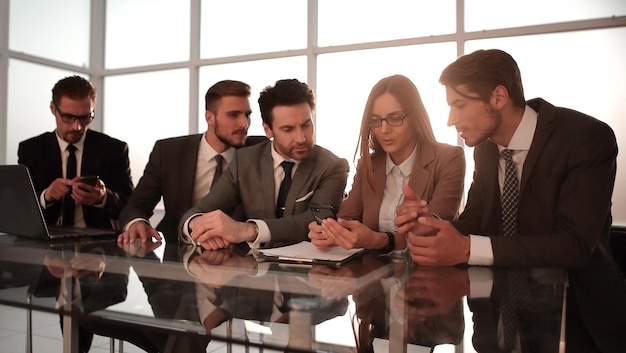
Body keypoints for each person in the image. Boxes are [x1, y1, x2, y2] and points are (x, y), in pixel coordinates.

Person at [395, 49, 626, 352]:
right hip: (500, 316)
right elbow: (474, 221)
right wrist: (432, 227)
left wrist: (465, 247)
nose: (451, 119)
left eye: (459, 105)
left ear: (499, 97)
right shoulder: (487, 149)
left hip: (580, 320)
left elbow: (574, 245)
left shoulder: (587, 138)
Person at [179, 78, 349, 250]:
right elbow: (200, 210)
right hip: (254, 270)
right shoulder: (244, 160)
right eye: (288, 129)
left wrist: (248, 230)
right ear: (268, 130)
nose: (301, 138)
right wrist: (198, 226)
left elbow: (316, 220)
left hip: (310, 271)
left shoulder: (333, 166)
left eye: (306, 125)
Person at [307, 75, 465, 254]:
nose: (384, 130)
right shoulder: (369, 164)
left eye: (395, 118)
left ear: (415, 117)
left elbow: (436, 232)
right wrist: (331, 231)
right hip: (373, 273)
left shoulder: (449, 158)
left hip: (429, 272)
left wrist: (377, 240)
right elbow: (347, 217)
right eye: (376, 120)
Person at [116, 80, 263, 246]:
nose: (244, 124)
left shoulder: (259, 150)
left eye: (247, 115)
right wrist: (137, 222)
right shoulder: (169, 152)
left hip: (240, 254)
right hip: (178, 248)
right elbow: (137, 204)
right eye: (233, 115)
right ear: (210, 117)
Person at [18, 75, 133, 230]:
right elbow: (20, 206)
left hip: (98, 243)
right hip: (45, 241)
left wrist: (104, 198)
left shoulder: (113, 150)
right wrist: (46, 196)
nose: (77, 127)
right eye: (68, 117)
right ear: (53, 109)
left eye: (85, 118)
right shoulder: (31, 150)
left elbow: (131, 205)